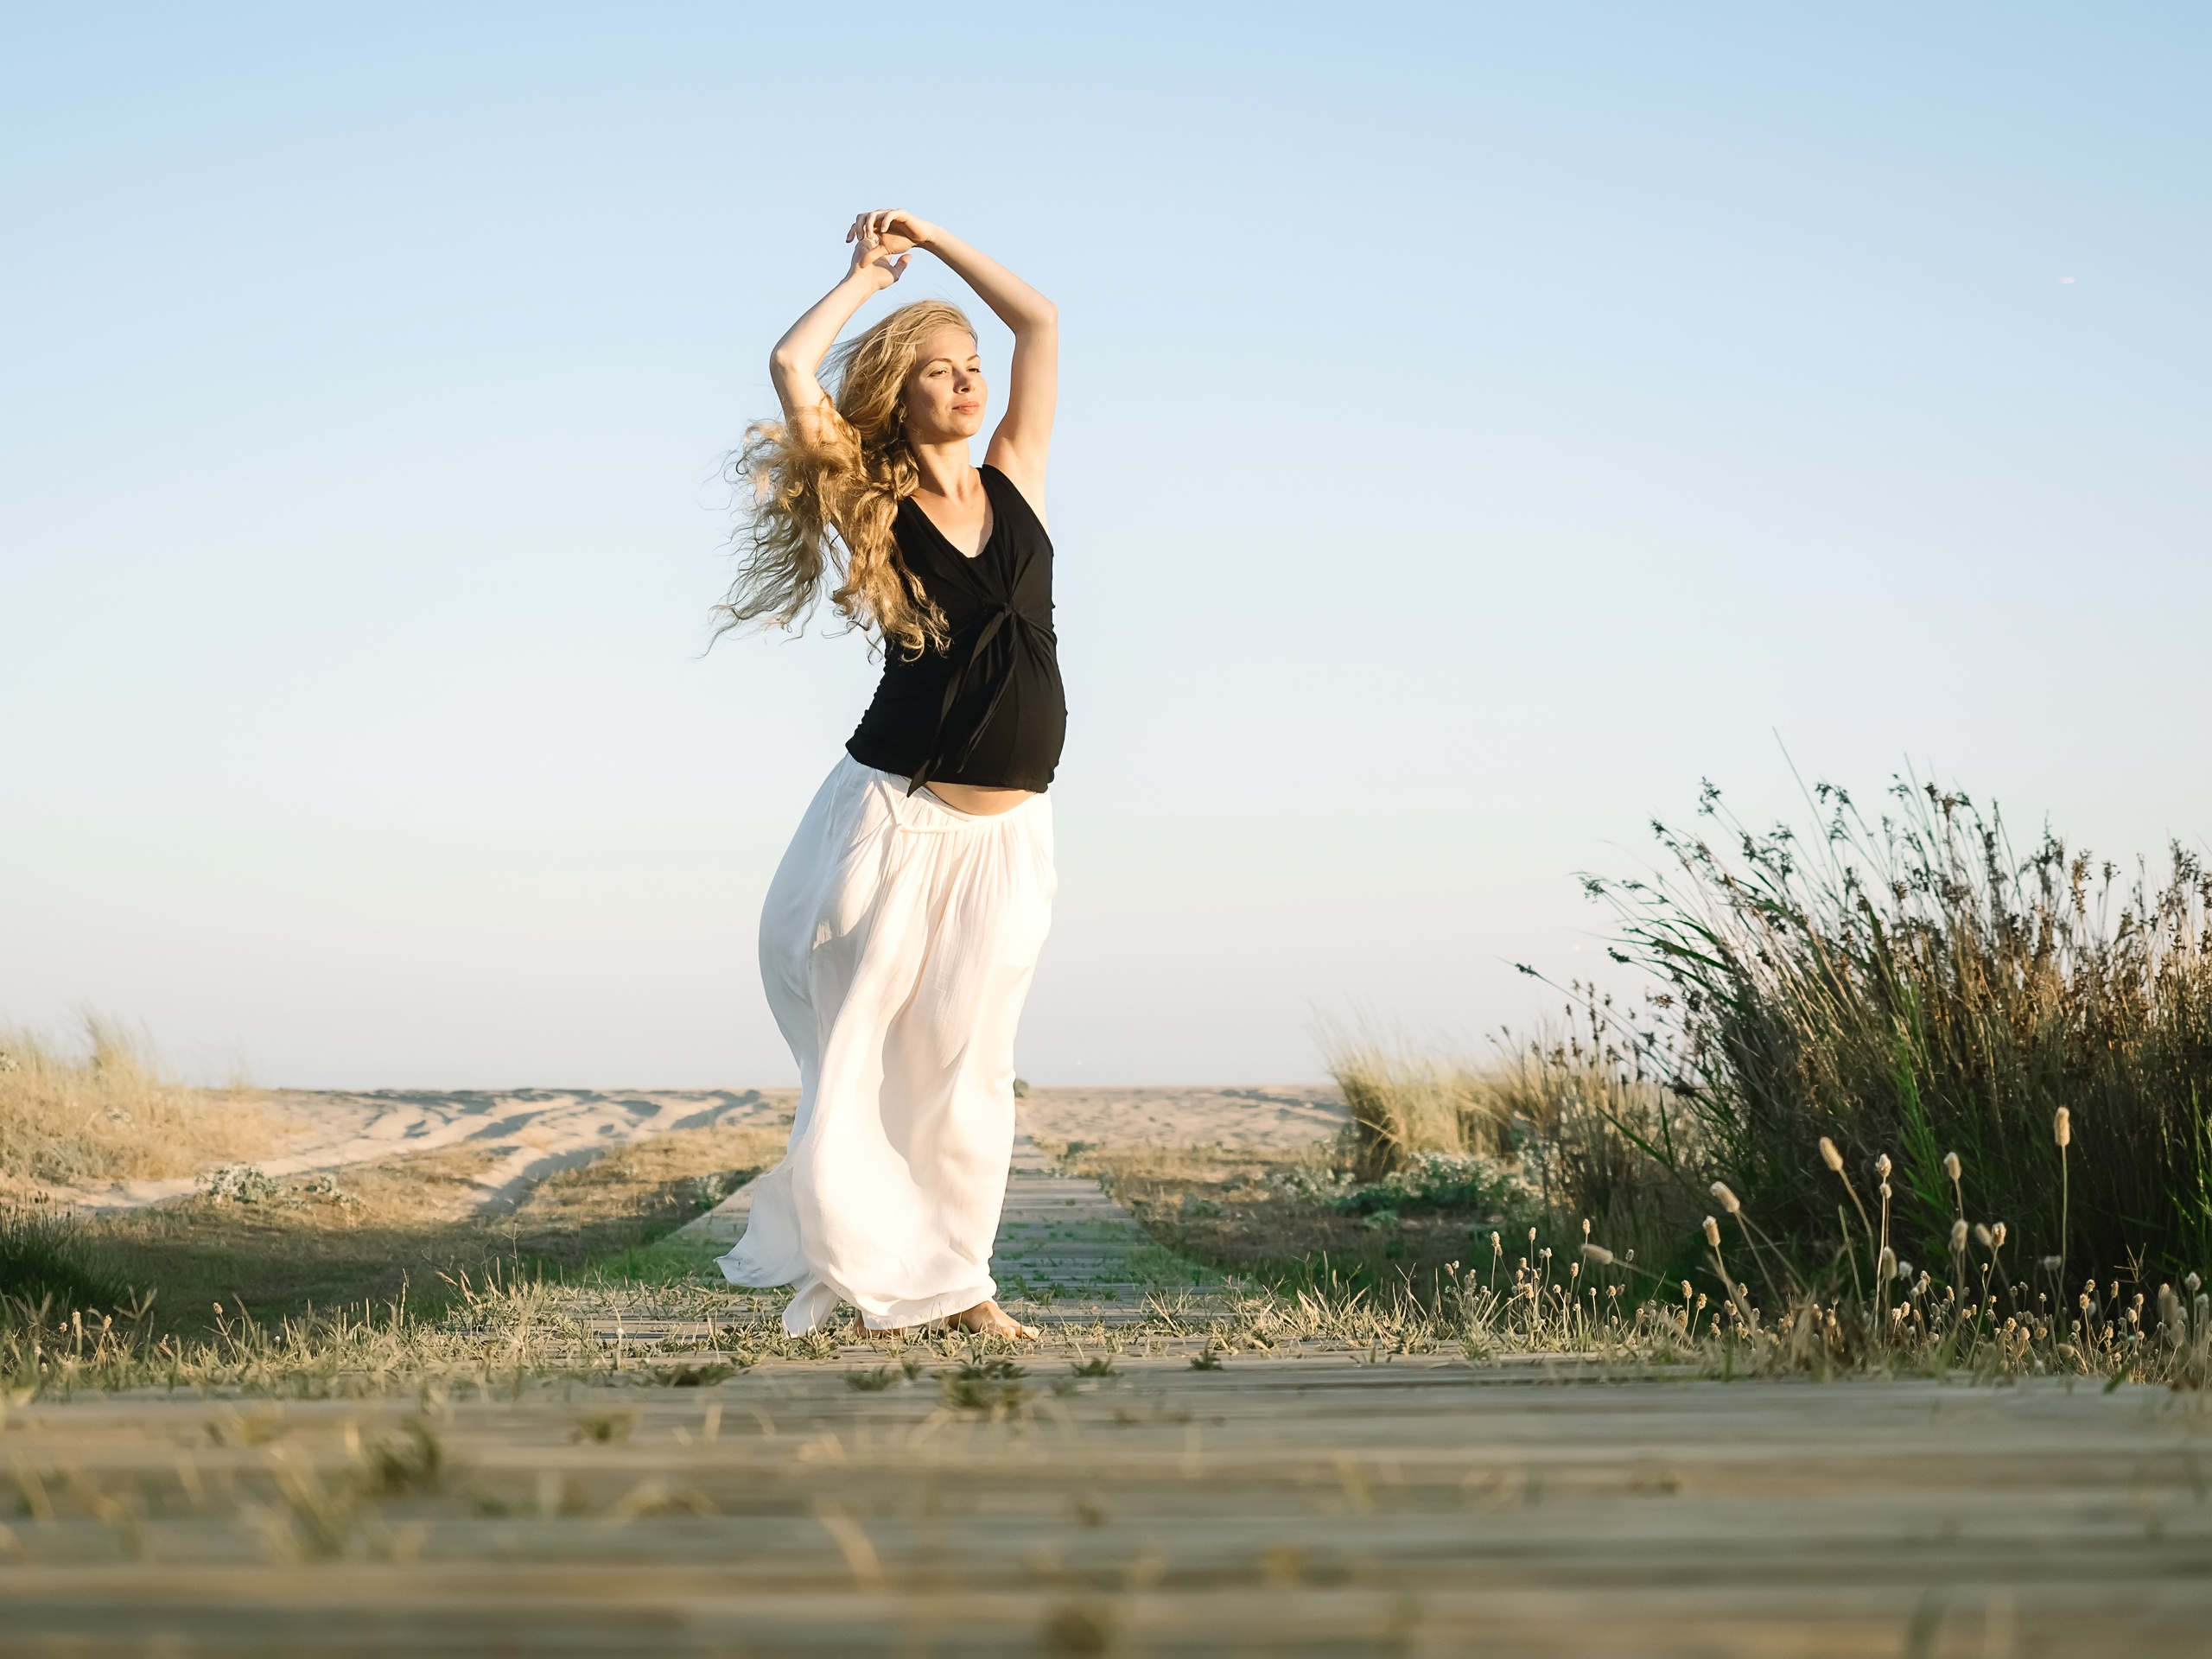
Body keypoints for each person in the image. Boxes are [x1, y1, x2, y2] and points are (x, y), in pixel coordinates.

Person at [711, 211, 1062, 1340]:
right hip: (896, 823)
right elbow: (792, 366)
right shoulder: (876, 500)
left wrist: (944, 238)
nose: (968, 384)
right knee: (866, 1063)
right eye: (941, 371)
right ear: (899, 394)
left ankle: (956, 1284)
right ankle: (884, 1279)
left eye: (973, 369)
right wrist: (867, 278)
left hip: (1012, 839)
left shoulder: (1017, 477)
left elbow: (1041, 318)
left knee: (973, 1075)